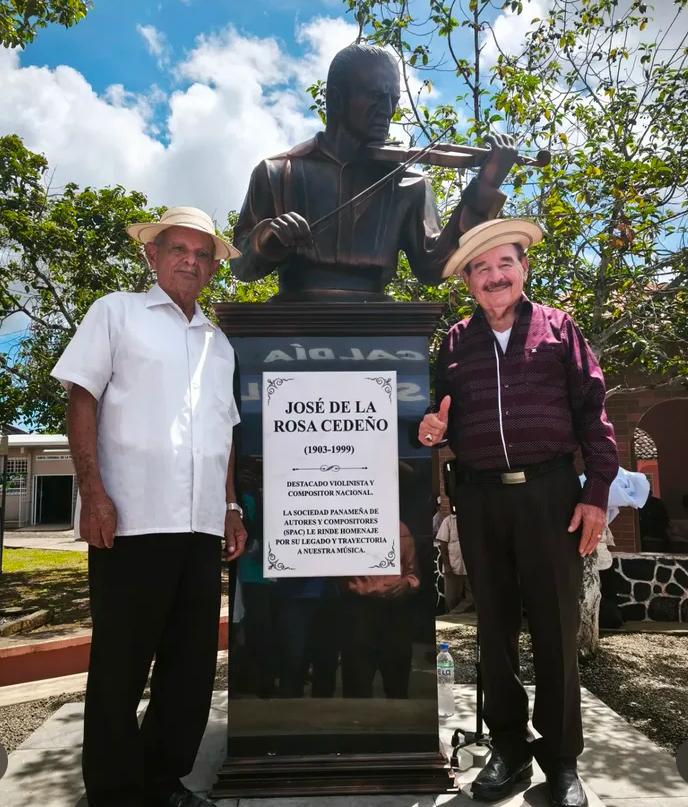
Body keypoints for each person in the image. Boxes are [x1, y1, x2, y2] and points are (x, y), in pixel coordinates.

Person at [51, 207, 248, 807]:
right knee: (120, 664)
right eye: (178, 249)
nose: (191, 260)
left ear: (214, 267)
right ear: (151, 255)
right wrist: (93, 494)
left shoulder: (219, 343)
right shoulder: (115, 313)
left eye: (202, 253)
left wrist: (231, 506)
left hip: (199, 529)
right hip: (131, 520)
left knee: (189, 669)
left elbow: (225, 432)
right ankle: (113, 793)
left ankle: (163, 783)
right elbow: (81, 399)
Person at [418, 218, 619, 807]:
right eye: (481, 269)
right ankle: (507, 748)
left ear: (523, 267)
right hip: (479, 498)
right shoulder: (454, 344)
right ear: (469, 284)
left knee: (555, 627)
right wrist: (429, 427)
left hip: (551, 495)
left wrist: (596, 495)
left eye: (504, 263)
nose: (495, 276)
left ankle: (560, 760)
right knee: (494, 625)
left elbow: (595, 416)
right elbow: (433, 416)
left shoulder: (560, 329)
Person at [232, 43, 517, 301]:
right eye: (376, 96)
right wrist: (265, 239)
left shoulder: (409, 182)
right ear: (336, 97)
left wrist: (487, 185)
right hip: (291, 318)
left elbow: (434, 268)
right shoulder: (275, 173)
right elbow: (241, 267)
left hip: (378, 320)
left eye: (392, 99)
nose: (387, 110)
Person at [435, 511, 474, 613]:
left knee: (473, 597)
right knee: (452, 599)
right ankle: (452, 618)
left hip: (469, 566)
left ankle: (455, 614)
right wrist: (447, 565)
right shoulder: (448, 521)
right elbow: (443, 544)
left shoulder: (471, 520)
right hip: (453, 566)